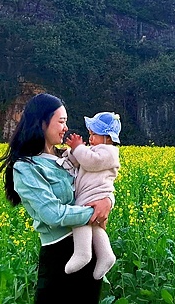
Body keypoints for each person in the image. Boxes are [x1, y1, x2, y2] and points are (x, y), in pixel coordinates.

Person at [0, 93, 112, 303]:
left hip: (90, 254)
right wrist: (94, 212)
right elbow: (53, 214)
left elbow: (99, 184)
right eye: (61, 121)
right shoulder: (26, 168)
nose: (65, 128)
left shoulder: (69, 157)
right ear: (42, 123)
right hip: (59, 257)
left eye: (66, 122)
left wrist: (108, 201)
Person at [63, 111, 121, 279]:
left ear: (108, 138)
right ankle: (106, 255)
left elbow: (90, 162)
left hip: (94, 195)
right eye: (90, 134)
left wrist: (78, 148)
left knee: (80, 220)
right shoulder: (95, 149)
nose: (90, 138)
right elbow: (78, 161)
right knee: (95, 227)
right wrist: (72, 152)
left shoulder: (109, 152)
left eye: (94, 134)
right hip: (90, 195)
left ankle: (83, 253)